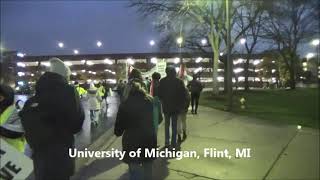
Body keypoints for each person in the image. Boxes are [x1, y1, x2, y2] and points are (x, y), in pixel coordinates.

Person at [19, 58, 84, 180]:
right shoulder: (69, 91)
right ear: (64, 75)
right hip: (62, 156)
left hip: (40, 159)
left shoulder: (34, 98)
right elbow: (77, 123)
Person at [114, 71, 160, 180]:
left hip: (131, 142)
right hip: (149, 139)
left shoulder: (124, 104)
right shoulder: (150, 101)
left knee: (135, 172)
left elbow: (118, 131)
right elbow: (159, 119)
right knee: (148, 168)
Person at [159, 66, 187, 149]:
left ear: (166, 72)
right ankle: (173, 143)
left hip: (166, 107)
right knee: (174, 125)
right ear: (174, 72)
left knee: (167, 125)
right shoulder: (179, 81)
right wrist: (182, 105)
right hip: (176, 107)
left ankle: (167, 142)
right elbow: (183, 95)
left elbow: (160, 94)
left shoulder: (162, 81)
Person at [0, 84, 26, 152]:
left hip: (13, 153)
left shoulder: (17, 112)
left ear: (7, 98)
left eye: (0, 98)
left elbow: (16, 131)